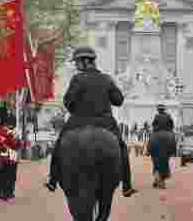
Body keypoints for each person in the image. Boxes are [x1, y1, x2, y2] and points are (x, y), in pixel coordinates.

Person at [47, 46, 136, 197]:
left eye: (77, 62)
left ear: (85, 61)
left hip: (79, 120)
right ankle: (127, 185)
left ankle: (53, 179)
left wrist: (77, 110)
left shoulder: (77, 79)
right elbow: (119, 101)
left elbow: (68, 102)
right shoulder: (107, 79)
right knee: (121, 148)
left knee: (59, 144)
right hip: (105, 122)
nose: (76, 65)